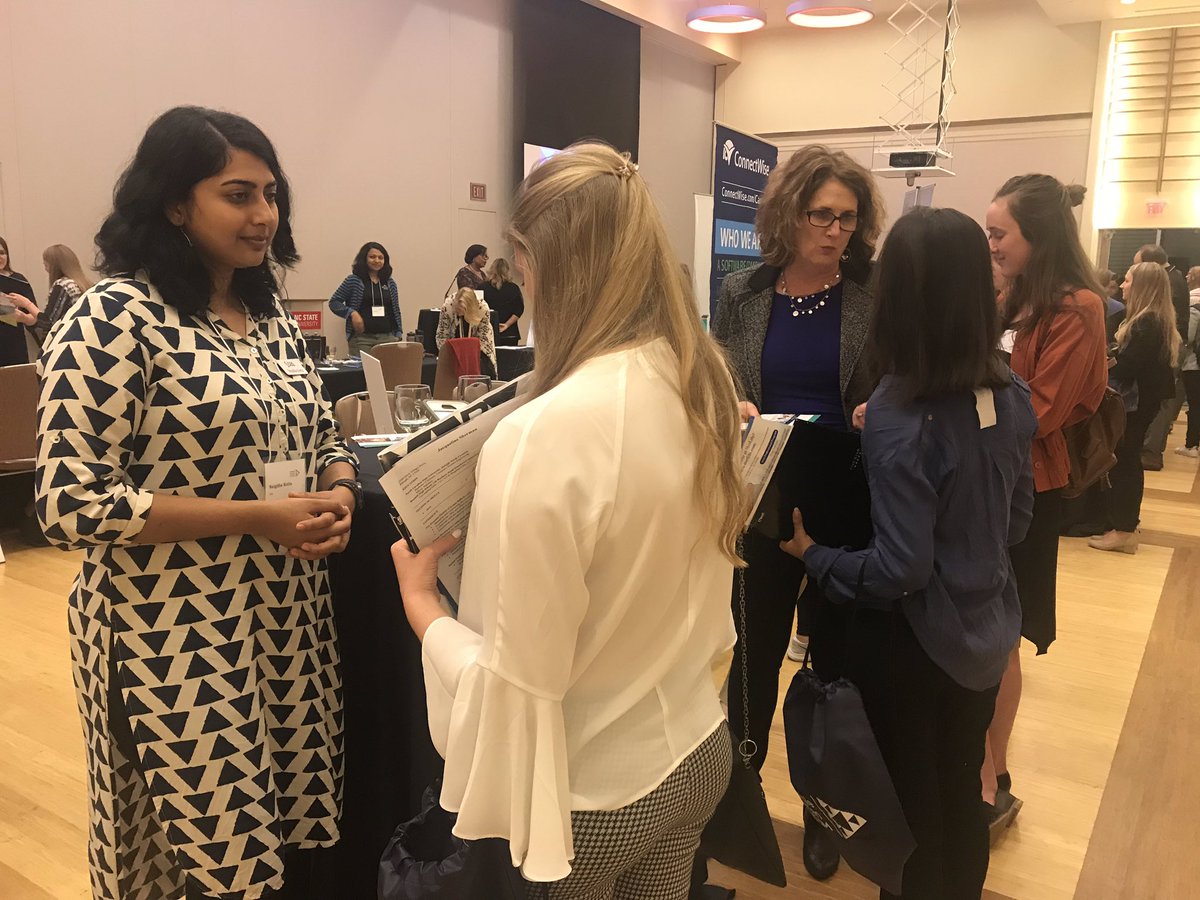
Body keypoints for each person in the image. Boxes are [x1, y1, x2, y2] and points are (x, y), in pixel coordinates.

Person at [391, 143, 742, 899]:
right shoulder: (701, 380)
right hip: (695, 746)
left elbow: (514, 686)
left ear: (542, 265)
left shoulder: (545, 432)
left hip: (591, 793)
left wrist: (423, 605)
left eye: (522, 270)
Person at [34, 105, 360, 900]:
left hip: (284, 621)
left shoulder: (267, 315)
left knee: (282, 847)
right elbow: (71, 502)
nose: (263, 215)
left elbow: (323, 432)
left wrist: (341, 490)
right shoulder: (115, 317)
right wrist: (256, 517)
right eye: (238, 195)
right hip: (175, 634)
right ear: (177, 203)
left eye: (271, 195)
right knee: (219, 860)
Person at [781, 205, 1037, 900]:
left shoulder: (900, 409)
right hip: (987, 633)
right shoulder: (1011, 392)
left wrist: (815, 555)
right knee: (961, 792)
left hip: (917, 648)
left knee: (911, 814)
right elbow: (1016, 521)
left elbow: (900, 569)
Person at [710, 143, 882, 885]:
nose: (836, 231)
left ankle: (823, 806)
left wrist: (882, 408)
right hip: (762, 492)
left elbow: (899, 379)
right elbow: (718, 376)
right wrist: (732, 401)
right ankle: (739, 796)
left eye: (848, 218)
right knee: (751, 654)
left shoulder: (873, 292)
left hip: (848, 492)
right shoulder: (743, 291)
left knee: (835, 665)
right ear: (788, 214)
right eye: (821, 215)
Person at [982, 174, 1108, 833]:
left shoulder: (1078, 308)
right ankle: (981, 768)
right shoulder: (1012, 295)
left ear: (1038, 235)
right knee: (982, 630)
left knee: (1002, 634)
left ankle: (993, 776)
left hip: (1029, 487)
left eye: (999, 233)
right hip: (988, 479)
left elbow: (1041, 410)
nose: (991, 244)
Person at [1090, 262, 1179, 553]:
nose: (1122, 285)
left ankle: (1124, 529)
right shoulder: (1154, 320)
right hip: (1142, 402)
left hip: (1135, 403)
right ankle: (1123, 525)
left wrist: (1105, 361)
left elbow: (1128, 367)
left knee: (1125, 462)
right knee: (1127, 460)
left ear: (1142, 286)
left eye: (1127, 280)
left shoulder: (1147, 323)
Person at [1137, 244, 1190, 470]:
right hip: (1171, 345)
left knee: (1160, 399)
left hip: (1169, 347)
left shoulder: (1170, 281)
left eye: (1138, 265)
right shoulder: (1176, 277)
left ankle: (1150, 452)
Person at [7, 244, 94, 345]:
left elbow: (48, 322)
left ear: (53, 265)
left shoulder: (63, 285)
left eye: (46, 264)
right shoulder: (85, 284)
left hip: (65, 343)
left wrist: (26, 304)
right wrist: (25, 317)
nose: (45, 268)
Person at [328, 241, 403, 357]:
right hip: (362, 339)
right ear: (364, 259)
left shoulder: (390, 282)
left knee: (389, 369)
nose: (377, 260)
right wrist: (352, 313)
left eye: (380, 257)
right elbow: (334, 302)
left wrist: (398, 333)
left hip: (388, 338)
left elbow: (395, 310)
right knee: (362, 369)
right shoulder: (354, 280)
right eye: (372, 257)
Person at [437, 285, 497, 375]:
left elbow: (484, 339)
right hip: (453, 351)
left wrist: (469, 355)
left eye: (463, 310)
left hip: (477, 351)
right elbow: (441, 335)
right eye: (458, 310)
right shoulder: (447, 307)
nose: (460, 314)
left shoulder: (482, 308)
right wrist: (447, 354)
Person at [0, 234, 37, 366]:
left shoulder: (18, 280)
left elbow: (35, 317)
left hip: (13, 345)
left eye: (2, 253)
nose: (0, 257)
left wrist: (23, 318)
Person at [1178, 267, 1200, 459]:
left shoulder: (1193, 302)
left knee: (1194, 404)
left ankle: (1191, 444)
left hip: (1194, 363)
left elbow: (1189, 336)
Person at [483, 257, 525, 346]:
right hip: (510, 333)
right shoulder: (514, 288)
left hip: (488, 333)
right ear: (507, 271)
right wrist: (506, 325)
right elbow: (519, 310)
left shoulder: (482, 288)